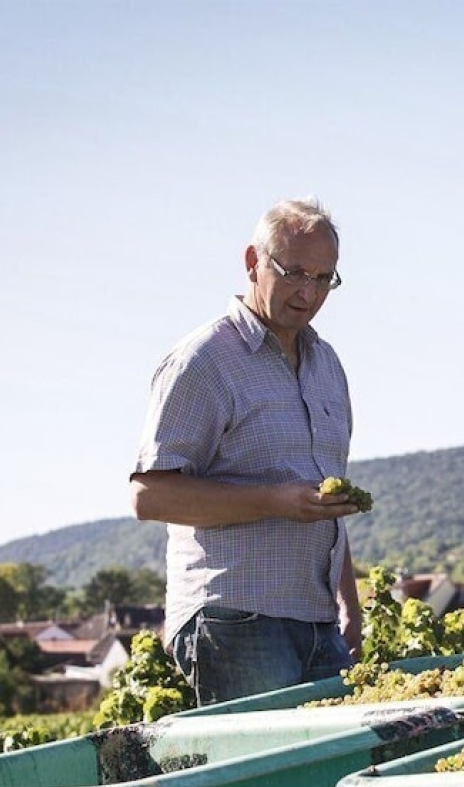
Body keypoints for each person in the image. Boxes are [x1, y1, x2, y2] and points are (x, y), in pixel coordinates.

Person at [131, 197, 364, 706]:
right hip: (235, 618)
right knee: (272, 758)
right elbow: (150, 496)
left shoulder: (327, 366)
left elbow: (328, 506)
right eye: (294, 273)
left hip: (318, 621)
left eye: (324, 278)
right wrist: (275, 501)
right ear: (253, 262)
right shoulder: (203, 361)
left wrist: (349, 603)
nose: (308, 293)